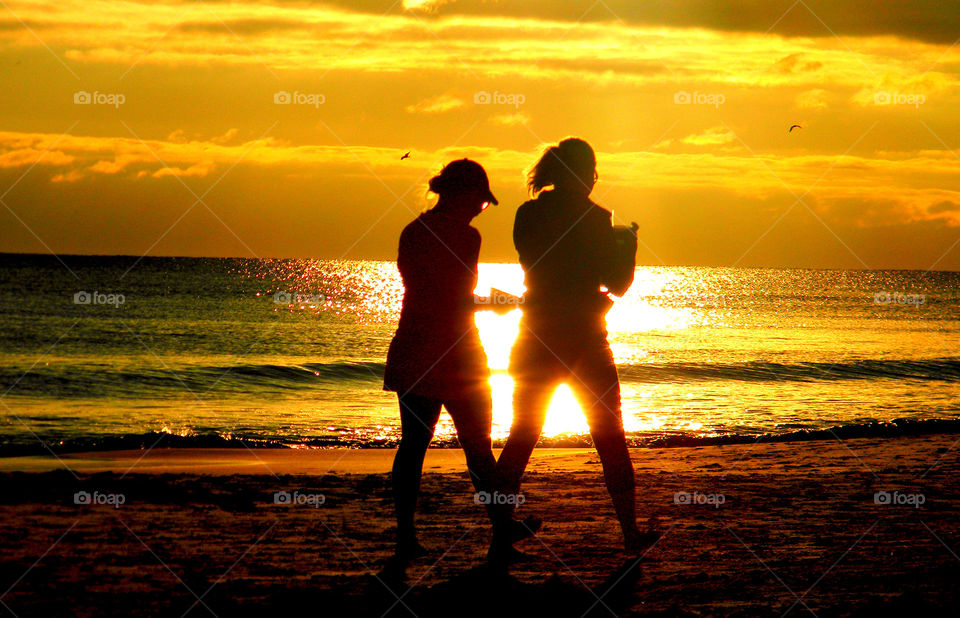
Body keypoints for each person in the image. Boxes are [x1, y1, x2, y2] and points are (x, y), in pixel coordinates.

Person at [496, 138, 655, 555]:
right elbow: (616, 284)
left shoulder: (527, 214)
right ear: (585, 174)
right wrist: (628, 247)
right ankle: (629, 533)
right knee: (610, 438)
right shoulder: (597, 218)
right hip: (585, 337)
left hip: (536, 333)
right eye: (592, 172)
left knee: (522, 435)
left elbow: (534, 262)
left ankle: (499, 535)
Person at [384, 158, 539, 563]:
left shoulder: (413, 232)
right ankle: (501, 534)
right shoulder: (466, 238)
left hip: (416, 345)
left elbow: (433, 294)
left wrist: (491, 302)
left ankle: (407, 538)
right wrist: (503, 302)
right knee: (477, 448)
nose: (481, 209)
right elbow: (454, 299)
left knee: (414, 446)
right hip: (456, 352)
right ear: (462, 195)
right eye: (480, 201)